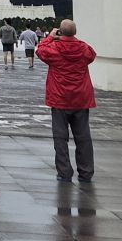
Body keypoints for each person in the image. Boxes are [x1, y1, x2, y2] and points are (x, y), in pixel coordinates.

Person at [37, 20, 96, 183]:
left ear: (60, 32)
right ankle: (86, 172)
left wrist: (50, 36)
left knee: (60, 137)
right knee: (83, 137)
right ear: (75, 32)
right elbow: (92, 55)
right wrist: (75, 40)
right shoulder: (83, 48)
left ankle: (64, 172)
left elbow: (40, 50)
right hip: (80, 98)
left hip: (60, 98)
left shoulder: (54, 48)